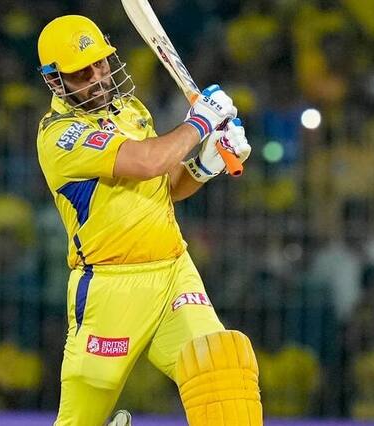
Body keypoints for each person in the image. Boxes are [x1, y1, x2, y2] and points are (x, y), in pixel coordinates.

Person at [36, 15, 258, 426]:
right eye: (82, 73)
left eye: (101, 63)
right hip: (111, 287)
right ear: (55, 81)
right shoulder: (60, 136)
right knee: (81, 417)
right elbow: (146, 161)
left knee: (223, 366)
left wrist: (205, 165)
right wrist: (201, 122)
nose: (98, 78)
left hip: (174, 271)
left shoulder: (132, 111)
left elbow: (165, 184)